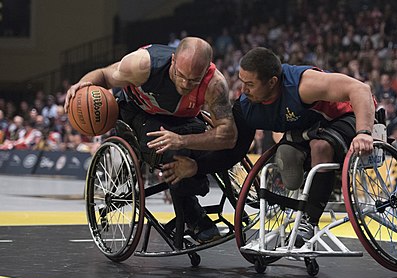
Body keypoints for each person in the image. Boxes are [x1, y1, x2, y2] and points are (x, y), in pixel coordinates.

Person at [163, 47, 375, 242]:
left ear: (273, 82)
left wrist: (364, 132)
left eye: (250, 84)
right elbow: (233, 150)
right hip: (309, 129)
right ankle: (306, 198)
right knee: (286, 156)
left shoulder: (303, 85)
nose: (243, 90)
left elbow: (360, 89)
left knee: (320, 146)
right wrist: (197, 168)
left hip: (350, 118)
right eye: (241, 81)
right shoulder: (247, 107)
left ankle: (308, 222)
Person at [64, 37, 238, 243]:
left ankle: (194, 184)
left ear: (206, 71)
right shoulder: (142, 65)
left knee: (209, 151)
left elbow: (228, 135)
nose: (185, 83)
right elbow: (103, 75)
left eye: (193, 80)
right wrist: (81, 85)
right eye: (180, 75)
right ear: (173, 61)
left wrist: (184, 143)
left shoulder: (215, 84)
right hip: (139, 113)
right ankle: (194, 215)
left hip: (182, 119)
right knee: (173, 155)